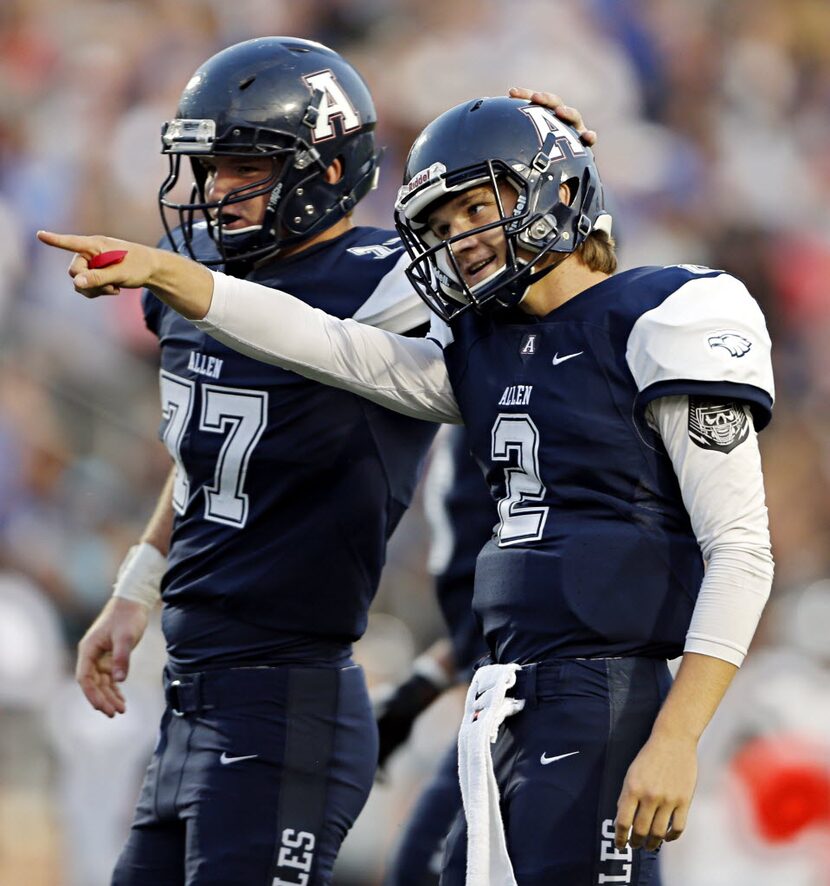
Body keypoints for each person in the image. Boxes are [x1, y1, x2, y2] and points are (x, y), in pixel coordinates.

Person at [38, 94, 774, 885]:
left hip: (609, 697)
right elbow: (326, 343)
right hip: (508, 702)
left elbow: (741, 550)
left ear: (557, 190)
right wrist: (170, 274)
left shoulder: (669, 313)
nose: (462, 239)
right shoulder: (481, 352)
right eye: (444, 225)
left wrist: (676, 736)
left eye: (474, 208)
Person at [54, 36, 594, 885]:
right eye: (210, 166)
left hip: (286, 701)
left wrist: (551, 175)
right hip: (192, 695)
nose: (217, 191)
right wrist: (135, 588)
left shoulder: (393, 282)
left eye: (245, 167)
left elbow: (550, 286)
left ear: (329, 171)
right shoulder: (196, 281)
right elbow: (207, 449)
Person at [376, 425, 492, 885]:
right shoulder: (465, 396)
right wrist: (421, 687)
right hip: (494, 685)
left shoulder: (522, 385)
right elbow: (491, 612)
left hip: (545, 698)